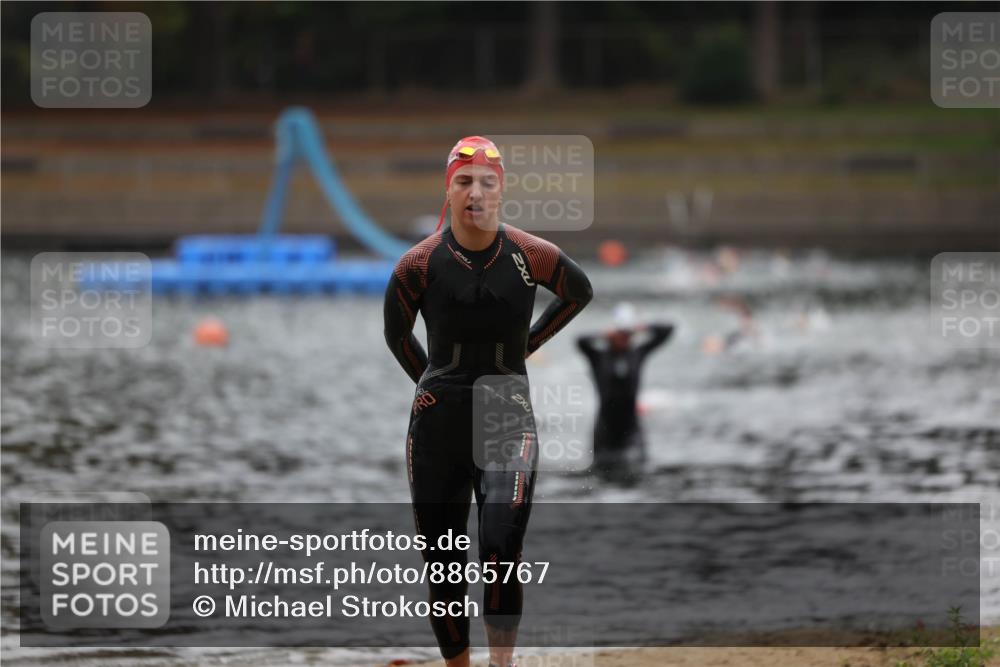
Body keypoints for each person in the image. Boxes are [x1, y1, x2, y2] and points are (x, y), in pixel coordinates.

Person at [383, 136, 593, 667]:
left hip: (504, 412)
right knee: (443, 566)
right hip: (437, 425)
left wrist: (529, 345)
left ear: (501, 192)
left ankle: (502, 665)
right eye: (464, 182)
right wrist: (429, 385)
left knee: (500, 544)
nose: (475, 193)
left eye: (487, 183)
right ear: (448, 190)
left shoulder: (529, 253)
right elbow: (396, 335)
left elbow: (579, 292)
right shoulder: (418, 264)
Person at [576, 303, 674, 479]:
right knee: (600, 472)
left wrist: (641, 328)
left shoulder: (637, 353)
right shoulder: (598, 356)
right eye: (621, 334)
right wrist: (604, 334)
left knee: (639, 469)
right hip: (605, 425)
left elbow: (667, 330)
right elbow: (580, 341)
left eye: (627, 335)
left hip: (631, 425)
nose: (624, 339)